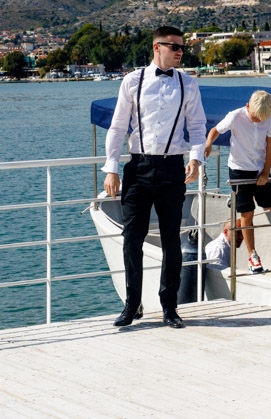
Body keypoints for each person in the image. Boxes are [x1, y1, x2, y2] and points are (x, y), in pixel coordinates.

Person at [102, 26, 206, 329]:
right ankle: (132, 305)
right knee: (131, 239)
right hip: (138, 168)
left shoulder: (189, 84)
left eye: (182, 48)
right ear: (156, 46)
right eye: (174, 47)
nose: (179, 53)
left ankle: (169, 307)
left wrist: (196, 158)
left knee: (172, 240)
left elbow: (197, 125)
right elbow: (118, 126)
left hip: (173, 168)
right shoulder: (132, 81)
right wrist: (111, 167)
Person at [204, 90, 271, 274]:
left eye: (261, 118)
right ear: (247, 106)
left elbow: (270, 145)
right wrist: (208, 143)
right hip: (238, 169)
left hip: (259, 168)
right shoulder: (235, 116)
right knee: (248, 214)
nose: (258, 121)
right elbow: (215, 130)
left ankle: (237, 200)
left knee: (269, 205)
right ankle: (253, 256)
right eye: (255, 117)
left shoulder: (269, 118)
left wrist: (266, 172)